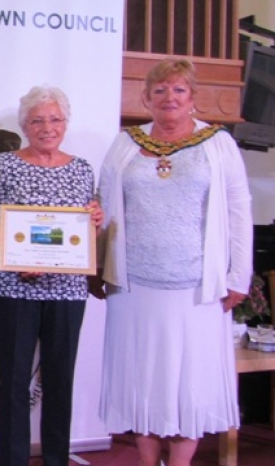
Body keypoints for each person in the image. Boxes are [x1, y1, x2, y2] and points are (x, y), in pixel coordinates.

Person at [98, 58, 252, 466]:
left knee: (188, 385)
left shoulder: (218, 144)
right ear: (147, 97)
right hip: (133, 288)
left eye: (179, 90)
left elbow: (239, 210)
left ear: (192, 98)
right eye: (160, 90)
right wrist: (98, 267)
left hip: (196, 290)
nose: (169, 98)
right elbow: (103, 207)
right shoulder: (125, 143)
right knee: (144, 384)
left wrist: (239, 275)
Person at [0, 86, 103, 466]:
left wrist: (95, 221)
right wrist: (18, 254)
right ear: (24, 126)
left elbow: (84, 227)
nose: (47, 127)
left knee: (59, 380)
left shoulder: (82, 168)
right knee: (16, 382)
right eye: (37, 120)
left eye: (54, 119)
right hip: (15, 287)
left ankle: (56, 459)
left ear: (66, 123)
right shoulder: (6, 165)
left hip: (67, 289)